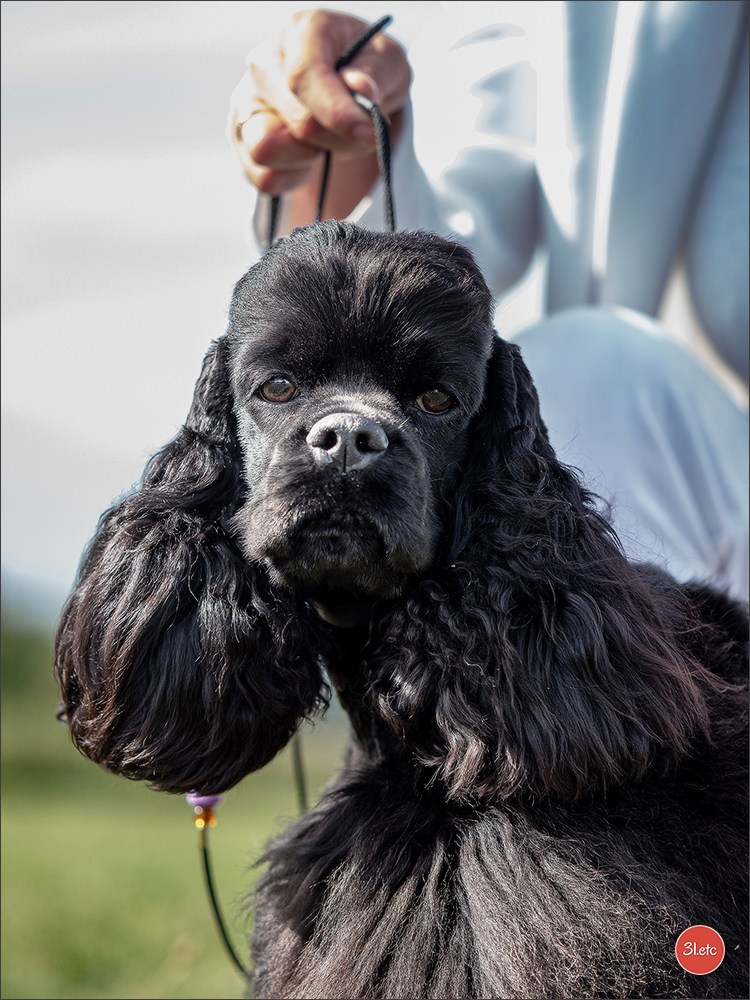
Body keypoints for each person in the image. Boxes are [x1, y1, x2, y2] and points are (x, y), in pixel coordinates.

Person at [228, 1, 749, 601]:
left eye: (433, 399)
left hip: (697, 513)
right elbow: (431, 265)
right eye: (279, 389)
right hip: (670, 498)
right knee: (594, 368)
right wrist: (354, 134)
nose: (346, 436)